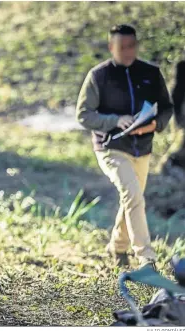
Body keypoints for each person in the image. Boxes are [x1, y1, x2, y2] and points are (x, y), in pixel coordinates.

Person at [75, 24, 173, 268]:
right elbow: (84, 115)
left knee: (133, 198)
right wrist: (115, 121)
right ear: (111, 47)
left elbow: (167, 107)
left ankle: (117, 247)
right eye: (121, 47)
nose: (128, 51)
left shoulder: (151, 72)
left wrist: (153, 126)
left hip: (143, 148)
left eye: (131, 46)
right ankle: (146, 257)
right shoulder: (98, 76)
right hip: (111, 148)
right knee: (132, 195)